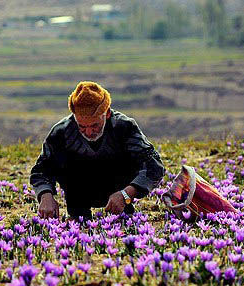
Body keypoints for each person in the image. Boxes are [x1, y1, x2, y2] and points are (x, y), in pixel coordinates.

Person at [30, 81, 165, 220]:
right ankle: (79, 216)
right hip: (77, 198)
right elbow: (41, 170)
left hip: (121, 195)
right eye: (82, 126)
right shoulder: (62, 131)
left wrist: (126, 194)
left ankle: (124, 213)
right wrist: (45, 195)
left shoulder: (124, 127)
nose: (88, 132)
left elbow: (154, 165)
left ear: (106, 114)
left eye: (95, 125)